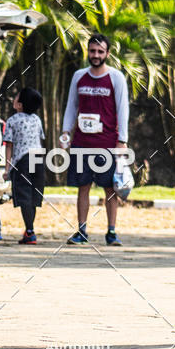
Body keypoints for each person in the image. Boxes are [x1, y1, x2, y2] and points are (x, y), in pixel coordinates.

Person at [61, 34, 129, 246]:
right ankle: (81, 231)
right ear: (88, 52)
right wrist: (65, 133)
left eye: (100, 52)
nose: (96, 55)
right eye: (92, 51)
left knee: (110, 189)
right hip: (81, 143)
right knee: (83, 187)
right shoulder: (79, 76)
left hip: (108, 143)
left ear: (107, 54)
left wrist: (122, 140)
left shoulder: (116, 77)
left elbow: (122, 109)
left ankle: (111, 232)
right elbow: (71, 106)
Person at [3, 87, 45, 244]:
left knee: (24, 194)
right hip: (38, 158)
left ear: (20, 105)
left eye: (16, 97)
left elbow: (9, 146)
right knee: (34, 194)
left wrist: (7, 169)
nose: (14, 99)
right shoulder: (37, 119)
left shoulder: (12, 121)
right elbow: (39, 140)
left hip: (23, 160)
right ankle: (29, 230)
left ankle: (30, 231)